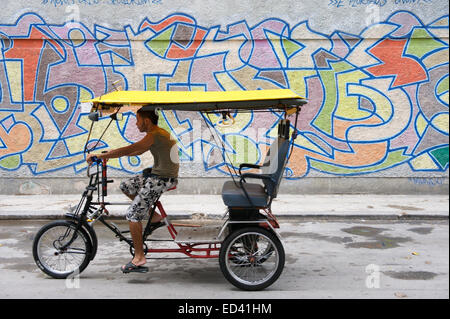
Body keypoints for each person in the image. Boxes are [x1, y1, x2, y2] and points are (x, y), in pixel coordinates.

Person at [86, 108, 179, 273]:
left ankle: (139, 257)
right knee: (126, 186)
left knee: (133, 215)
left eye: (137, 120)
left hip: (162, 179)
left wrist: (100, 156)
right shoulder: (155, 134)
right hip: (157, 175)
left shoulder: (155, 135)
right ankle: (155, 217)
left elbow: (131, 149)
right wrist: (109, 154)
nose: (136, 124)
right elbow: (138, 150)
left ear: (147, 121)